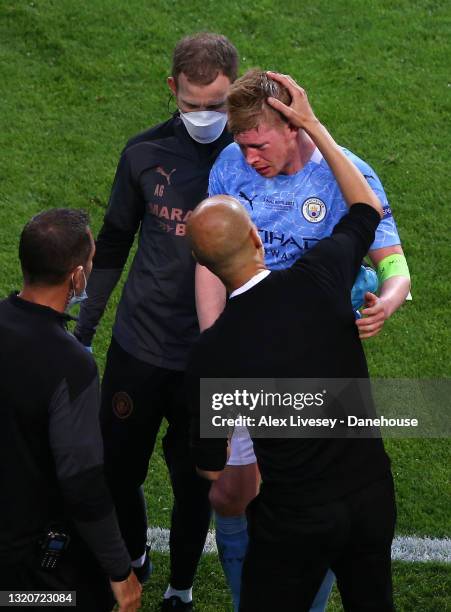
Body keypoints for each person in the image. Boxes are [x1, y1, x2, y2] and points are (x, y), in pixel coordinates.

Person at [195, 69, 410, 610]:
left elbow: (392, 260)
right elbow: (211, 260)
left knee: (295, 490)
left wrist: (389, 298)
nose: (248, 161)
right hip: (249, 354)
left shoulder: (346, 173)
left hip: (317, 356)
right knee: (241, 492)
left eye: (258, 145)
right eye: (240, 147)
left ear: (291, 129)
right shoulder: (229, 167)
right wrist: (222, 346)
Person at [74, 33, 239, 610]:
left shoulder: (252, 160)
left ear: (234, 94)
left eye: (216, 105)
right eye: (192, 104)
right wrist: (84, 329)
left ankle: (180, 589)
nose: (203, 116)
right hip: (138, 347)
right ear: (173, 89)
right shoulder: (142, 154)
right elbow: (114, 242)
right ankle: (136, 555)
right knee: (118, 472)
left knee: (200, 483)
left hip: (211, 358)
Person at [0, 209, 142, 612]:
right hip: (28, 567)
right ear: (77, 276)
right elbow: (81, 482)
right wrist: (119, 570)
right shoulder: (70, 365)